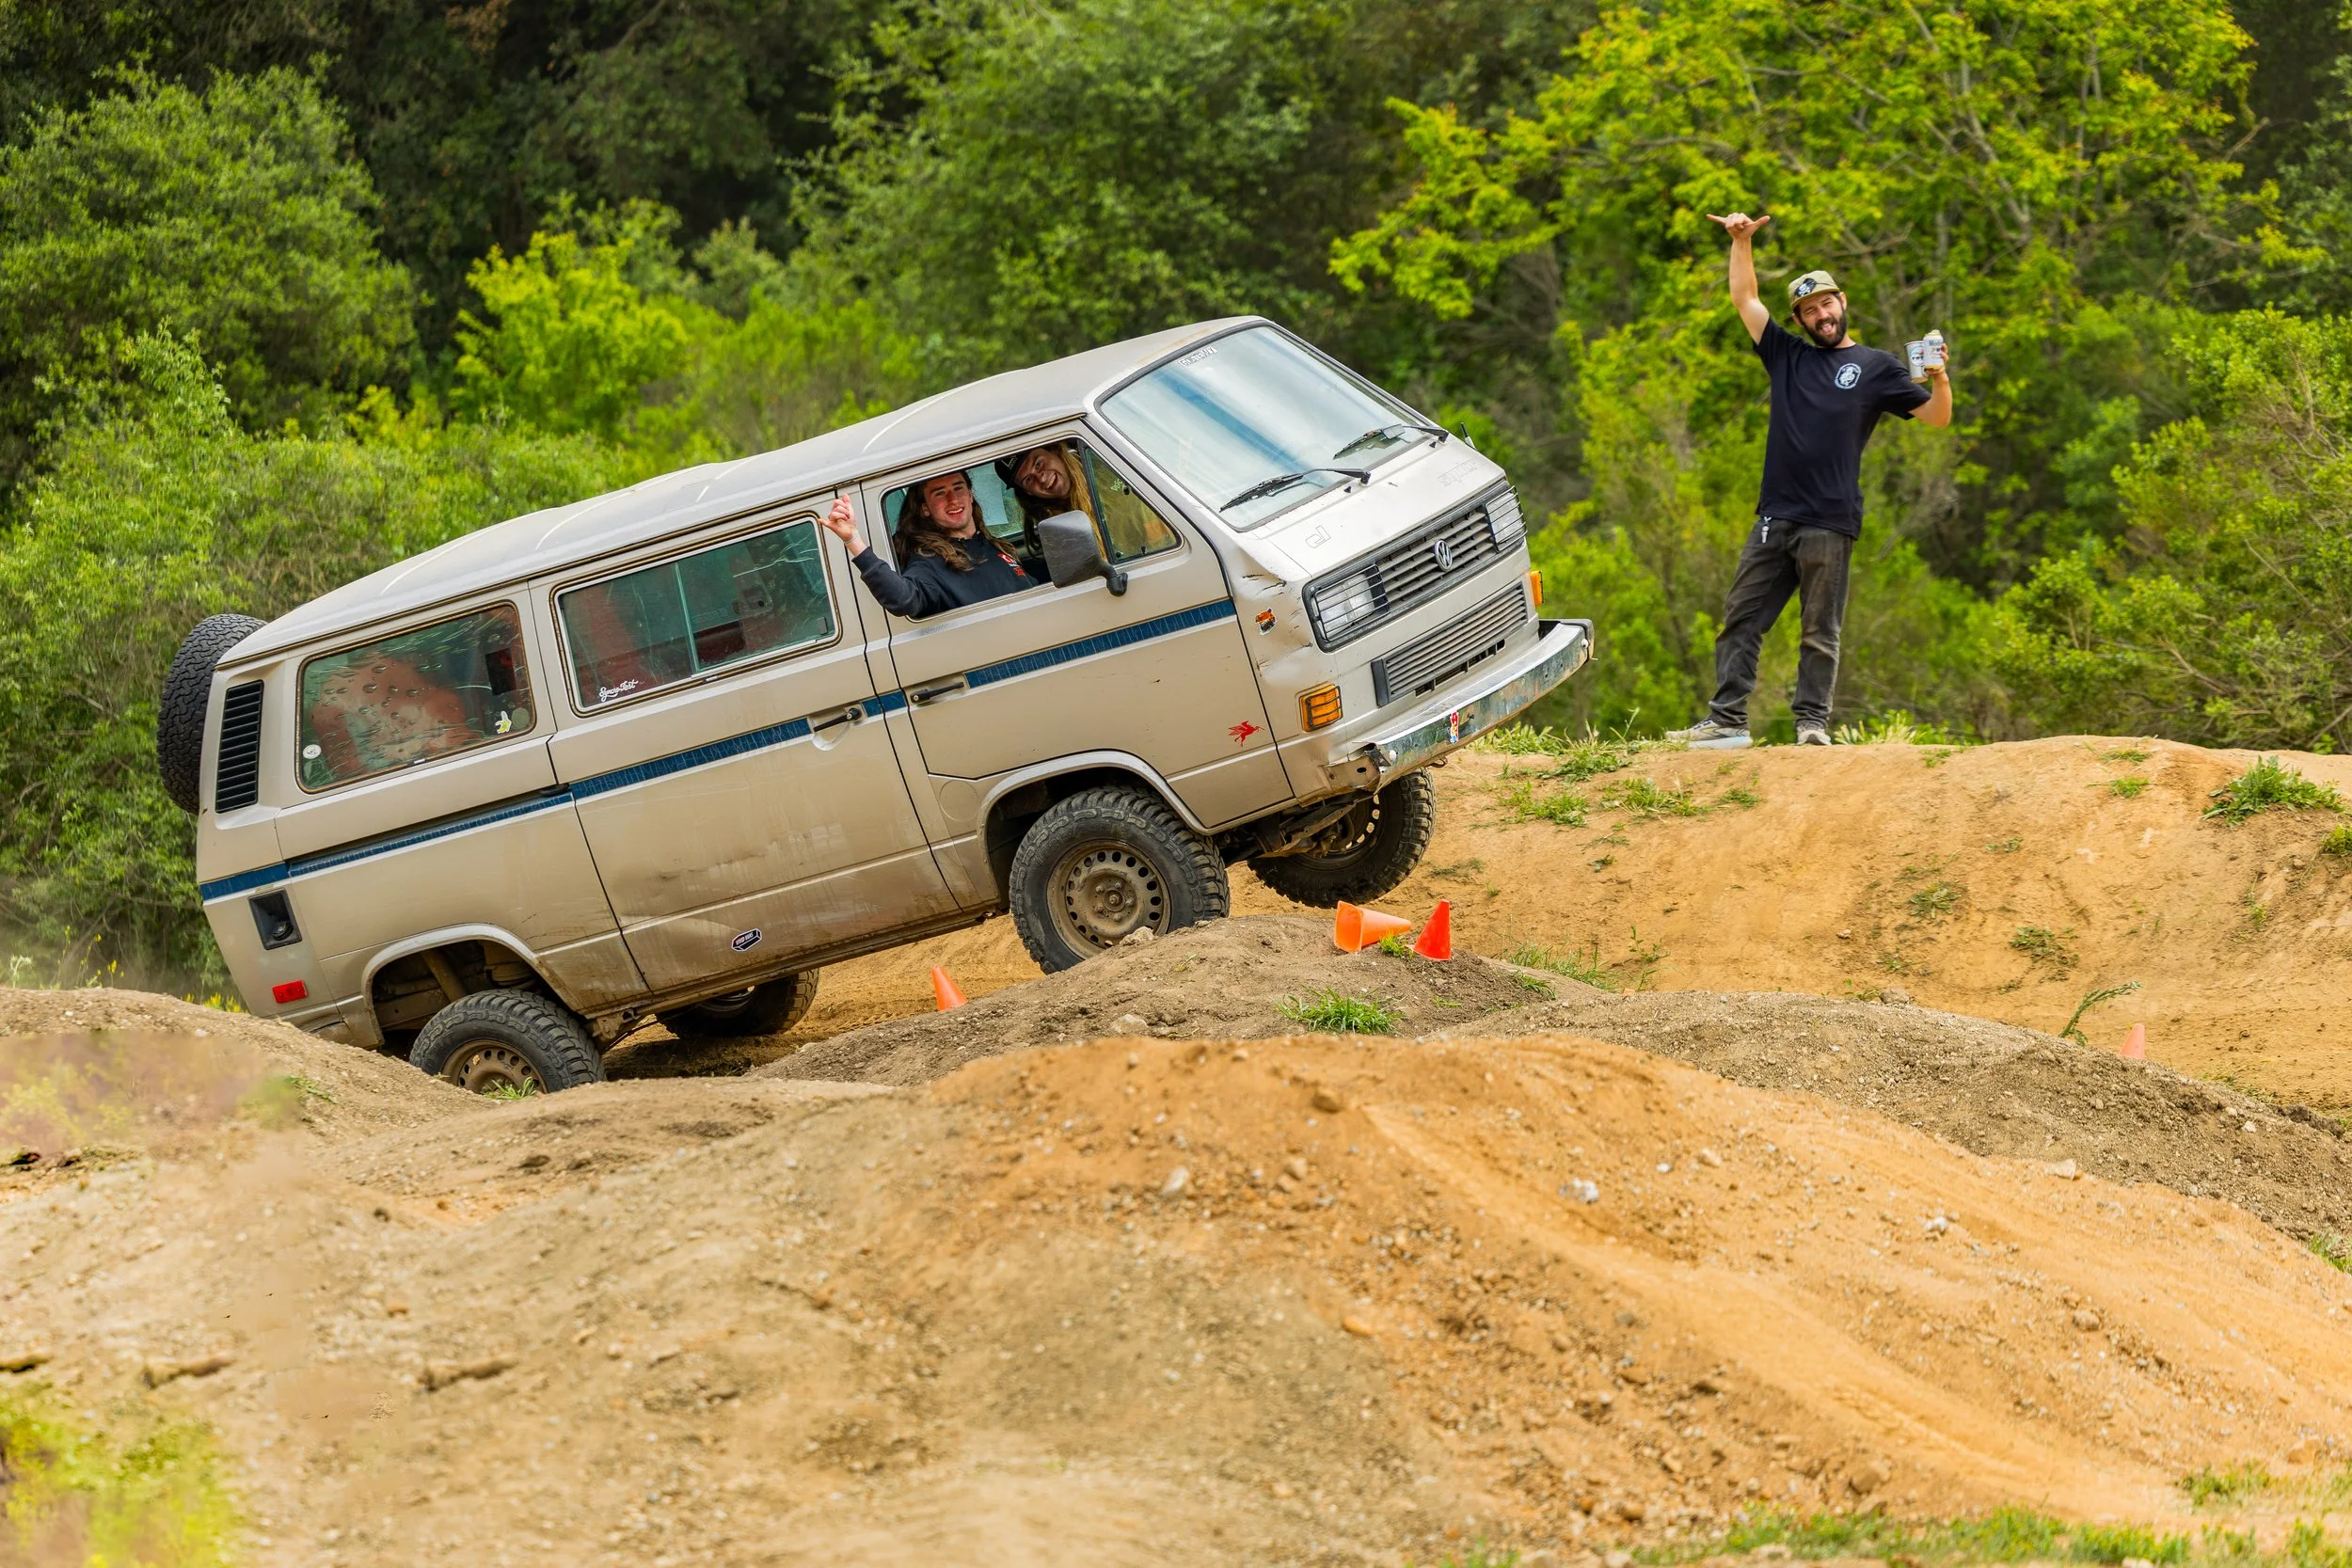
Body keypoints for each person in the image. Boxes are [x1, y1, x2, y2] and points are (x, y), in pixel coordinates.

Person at [1667, 212, 1954, 750]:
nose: (1820, 315)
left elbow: (1938, 418)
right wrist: (1742, 242)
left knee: (1819, 632)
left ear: (1842, 305)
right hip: (1776, 515)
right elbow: (1745, 299)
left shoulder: (1878, 367)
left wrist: (1940, 378)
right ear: (1799, 321)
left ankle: (1812, 726)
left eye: (1826, 304)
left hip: (1830, 518)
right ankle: (1728, 722)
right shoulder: (1787, 357)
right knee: (1740, 619)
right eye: (1808, 310)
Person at [819, 469, 1039, 619]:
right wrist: (853, 540)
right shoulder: (931, 563)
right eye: (940, 494)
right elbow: (903, 600)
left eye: (958, 488)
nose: (953, 499)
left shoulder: (994, 546)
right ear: (925, 508)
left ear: (970, 495)